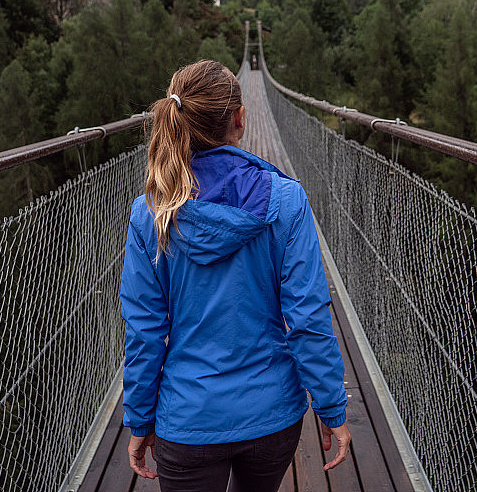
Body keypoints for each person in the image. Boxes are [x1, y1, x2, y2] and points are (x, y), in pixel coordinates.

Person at [120, 60, 351, 492]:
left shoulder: (150, 213)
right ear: (240, 119)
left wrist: (139, 418)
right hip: (272, 415)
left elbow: (145, 332)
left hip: (188, 420)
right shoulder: (287, 200)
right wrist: (331, 407)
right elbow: (307, 318)